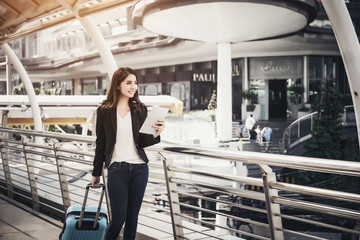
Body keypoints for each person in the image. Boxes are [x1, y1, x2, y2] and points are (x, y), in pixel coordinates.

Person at [91, 67, 165, 240]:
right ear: (118, 85)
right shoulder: (105, 110)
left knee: (132, 218)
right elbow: (100, 143)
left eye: (136, 83)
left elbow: (143, 141)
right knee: (118, 219)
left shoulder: (140, 109)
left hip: (140, 169)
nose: (134, 87)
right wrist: (96, 173)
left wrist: (156, 133)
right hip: (117, 169)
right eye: (129, 83)